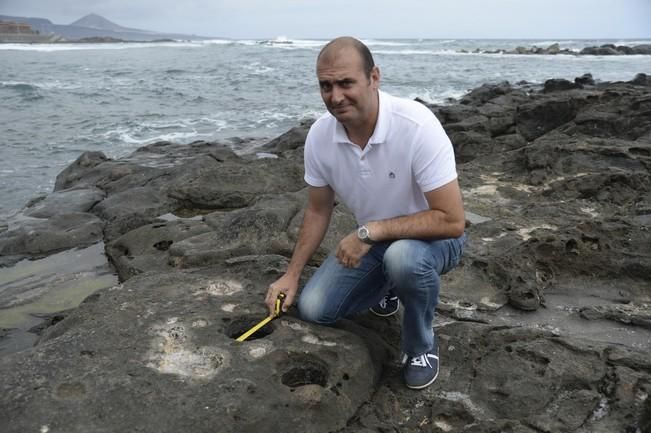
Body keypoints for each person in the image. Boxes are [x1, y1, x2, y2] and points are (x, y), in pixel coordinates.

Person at [265, 36, 466, 390]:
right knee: (314, 310)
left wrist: (368, 232)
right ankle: (388, 284)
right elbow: (317, 210)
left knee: (404, 258)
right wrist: (292, 275)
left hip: (432, 240)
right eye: (325, 86)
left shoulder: (416, 126)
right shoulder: (319, 137)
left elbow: (452, 220)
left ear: (374, 77)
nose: (335, 96)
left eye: (346, 83)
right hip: (374, 242)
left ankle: (421, 346)